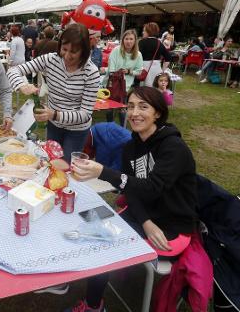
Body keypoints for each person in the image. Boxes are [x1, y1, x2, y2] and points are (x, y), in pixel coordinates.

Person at [67, 86, 198, 312]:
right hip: (145, 216)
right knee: (87, 221)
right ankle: (76, 279)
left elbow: (152, 188)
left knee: (103, 245)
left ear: (157, 113)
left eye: (143, 107)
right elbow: (134, 193)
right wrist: (146, 222)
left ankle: (93, 307)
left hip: (172, 225)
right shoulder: (130, 146)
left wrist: (104, 172)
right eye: (131, 106)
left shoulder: (173, 147)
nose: (135, 113)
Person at [7, 23, 101, 162]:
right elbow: (13, 70)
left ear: (84, 50)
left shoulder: (91, 72)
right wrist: (22, 85)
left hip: (77, 130)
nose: (67, 55)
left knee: (66, 165)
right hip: (54, 125)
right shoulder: (50, 59)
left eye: (73, 52)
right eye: (64, 49)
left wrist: (55, 114)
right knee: (50, 161)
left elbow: (85, 114)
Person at [101, 29, 144, 125]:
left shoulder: (138, 55)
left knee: (122, 108)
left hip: (125, 85)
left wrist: (129, 71)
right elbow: (111, 68)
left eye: (131, 39)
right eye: (126, 39)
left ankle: (122, 128)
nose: (128, 41)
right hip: (112, 83)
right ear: (123, 40)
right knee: (109, 108)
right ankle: (110, 126)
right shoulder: (116, 51)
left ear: (135, 41)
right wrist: (117, 74)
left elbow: (139, 71)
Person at [138, 22, 171, 87]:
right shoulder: (159, 43)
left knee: (143, 90)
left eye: (144, 31)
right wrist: (163, 70)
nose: (143, 32)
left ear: (149, 31)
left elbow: (136, 57)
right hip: (156, 70)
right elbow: (168, 57)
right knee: (154, 89)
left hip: (144, 69)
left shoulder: (141, 42)